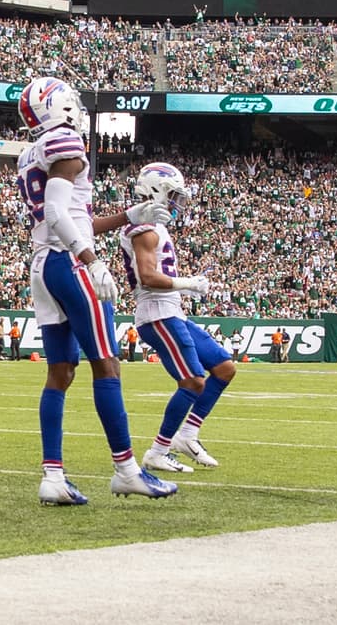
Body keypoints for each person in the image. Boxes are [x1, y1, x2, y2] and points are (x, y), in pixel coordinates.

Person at [15, 76, 178, 505]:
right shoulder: (66, 140)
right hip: (68, 262)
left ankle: (53, 476)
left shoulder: (31, 151)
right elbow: (55, 212)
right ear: (60, 106)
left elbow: (71, 215)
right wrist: (90, 259)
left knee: (60, 372)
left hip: (43, 264)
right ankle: (126, 469)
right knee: (107, 366)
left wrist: (130, 214)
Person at [121, 162, 235, 473]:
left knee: (224, 368)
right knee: (194, 381)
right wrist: (188, 284)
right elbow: (146, 277)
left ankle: (188, 435)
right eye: (172, 194)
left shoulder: (156, 225)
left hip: (172, 312)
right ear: (156, 190)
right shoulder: (142, 228)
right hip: (157, 315)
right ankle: (158, 451)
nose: (176, 202)